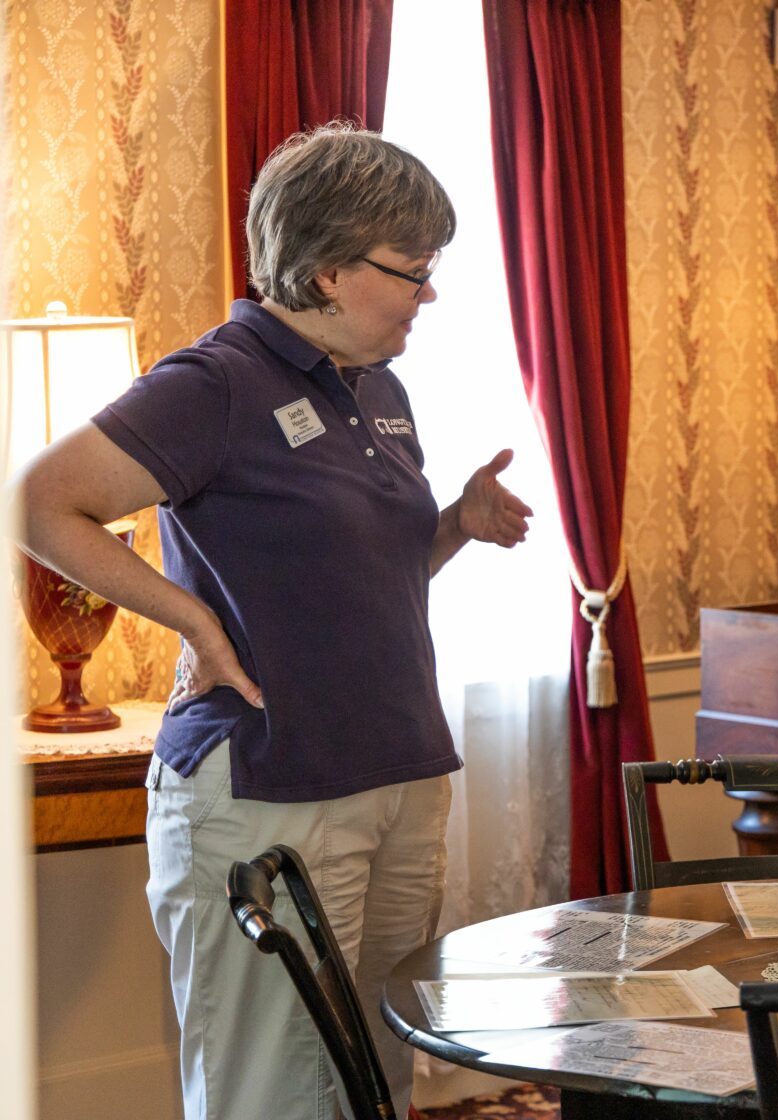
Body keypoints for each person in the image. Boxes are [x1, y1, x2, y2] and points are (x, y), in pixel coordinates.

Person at [17, 124, 534, 1120]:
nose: (428, 294)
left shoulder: (379, 388)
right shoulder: (216, 383)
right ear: (331, 266)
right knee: (277, 1091)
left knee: (379, 1075)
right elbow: (40, 502)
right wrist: (193, 622)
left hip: (398, 772)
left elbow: (370, 579)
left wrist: (457, 526)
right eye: (413, 270)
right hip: (268, 782)